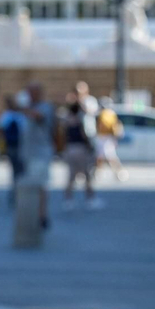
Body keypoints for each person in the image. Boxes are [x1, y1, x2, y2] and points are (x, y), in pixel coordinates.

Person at [20, 83, 57, 227]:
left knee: (40, 185)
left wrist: (21, 107)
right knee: (30, 185)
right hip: (28, 154)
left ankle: (41, 215)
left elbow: (38, 116)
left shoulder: (44, 107)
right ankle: (33, 212)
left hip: (40, 154)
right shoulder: (30, 108)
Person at [59, 93, 100, 211]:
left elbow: (63, 135)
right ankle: (90, 199)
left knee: (71, 177)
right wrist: (90, 147)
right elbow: (85, 134)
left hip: (70, 148)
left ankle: (68, 199)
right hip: (80, 149)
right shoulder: (81, 120)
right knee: (87, 175)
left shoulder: (66, 120)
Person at [96, 102, 126, 180]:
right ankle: (99, 172)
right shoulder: (112, 113)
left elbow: (102, 126)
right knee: (101, 156)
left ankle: (119, 172)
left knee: (109, 156)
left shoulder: (104, 114)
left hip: (104, 137)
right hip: (110, 137)